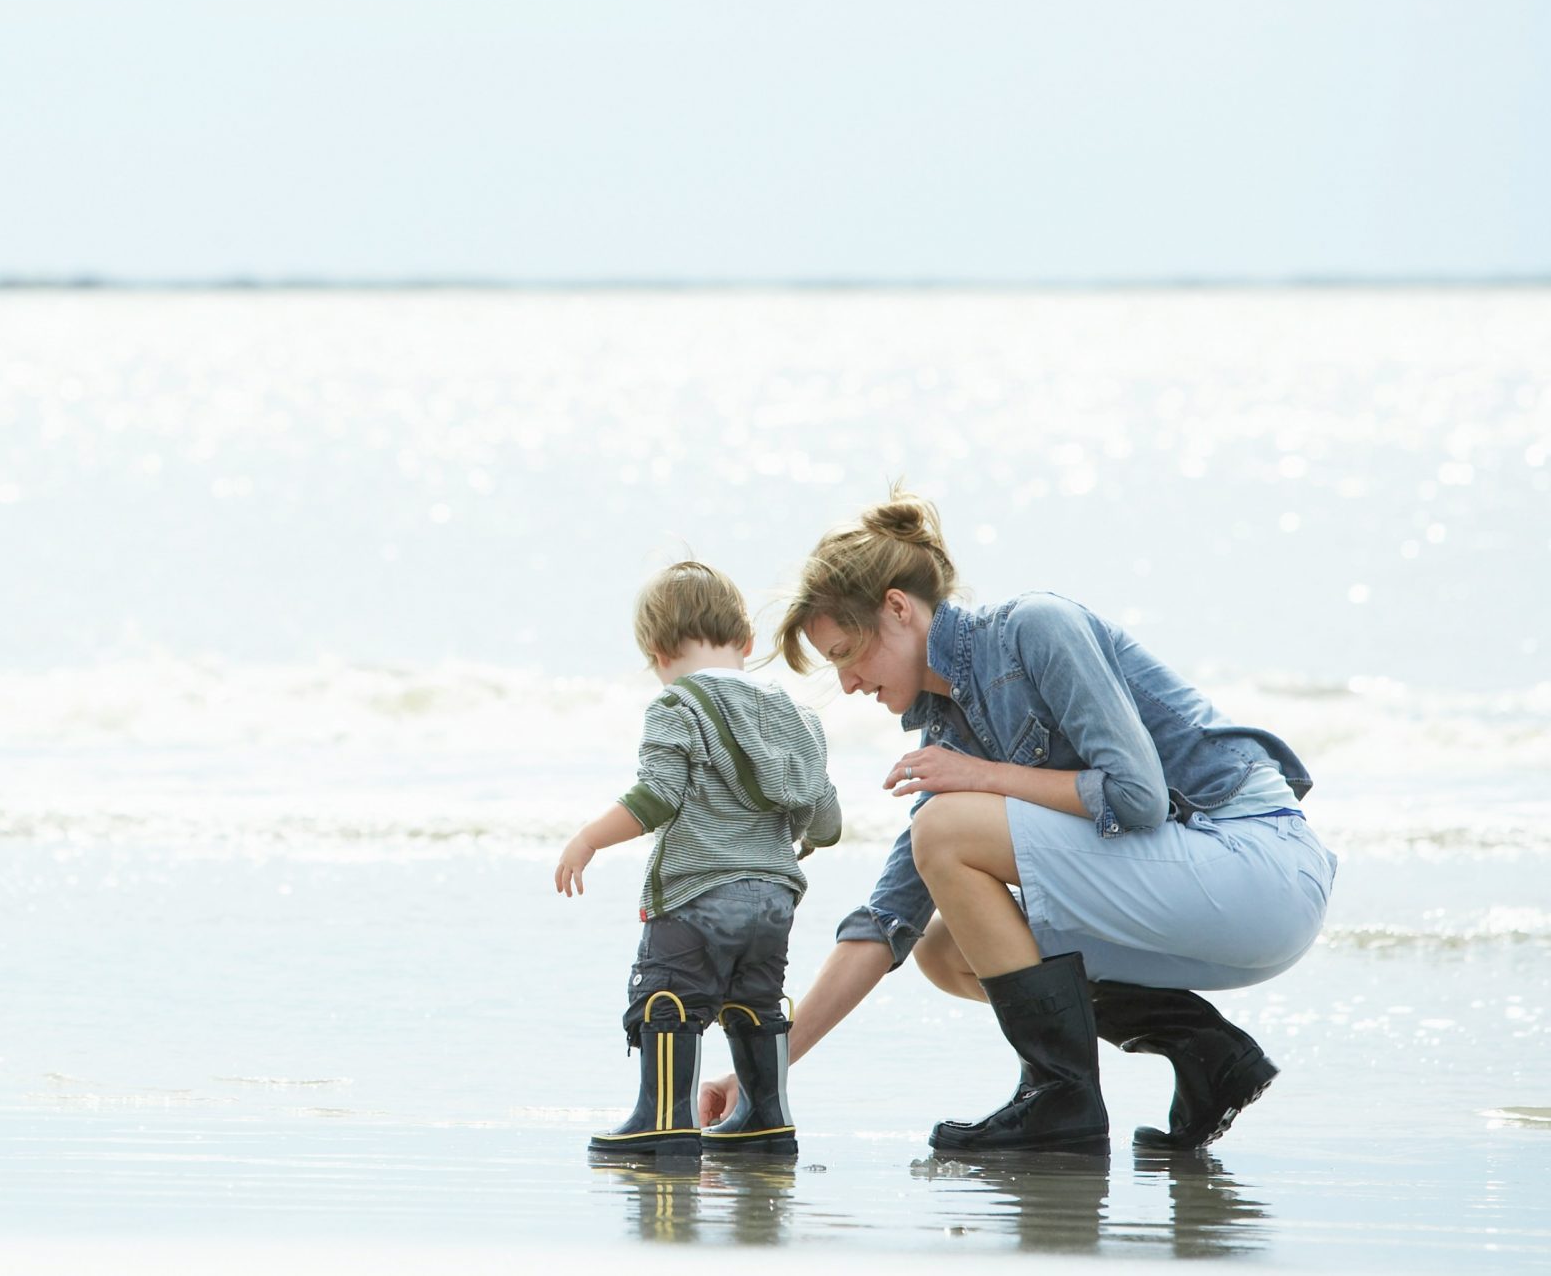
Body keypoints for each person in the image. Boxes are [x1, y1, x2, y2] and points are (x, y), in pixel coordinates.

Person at [695, 492, 1333, 1156]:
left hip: (1258, 864)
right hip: (1204, 903)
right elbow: (886, 925)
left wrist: (983, 776)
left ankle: (1061, 1097)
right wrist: (757, 1076)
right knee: (944, 949)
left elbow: (1139, 796)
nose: (848, 681)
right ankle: (1203, 1049)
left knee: (943, 829)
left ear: (898, 608)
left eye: (846, 651)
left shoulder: (1035, 628)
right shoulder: (952, 737)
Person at [557, 559, 843, 1159]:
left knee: (668, 997)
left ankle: (665, 1118)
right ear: (746, 642)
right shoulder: (797, 716)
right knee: (756, 1002)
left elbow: (656, 797)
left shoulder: (676, 706)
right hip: (774, 900)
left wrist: (589, 839)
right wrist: (796, 841)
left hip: (698, 892)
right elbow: (826, 818)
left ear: (658, 654)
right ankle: (765, 1118)